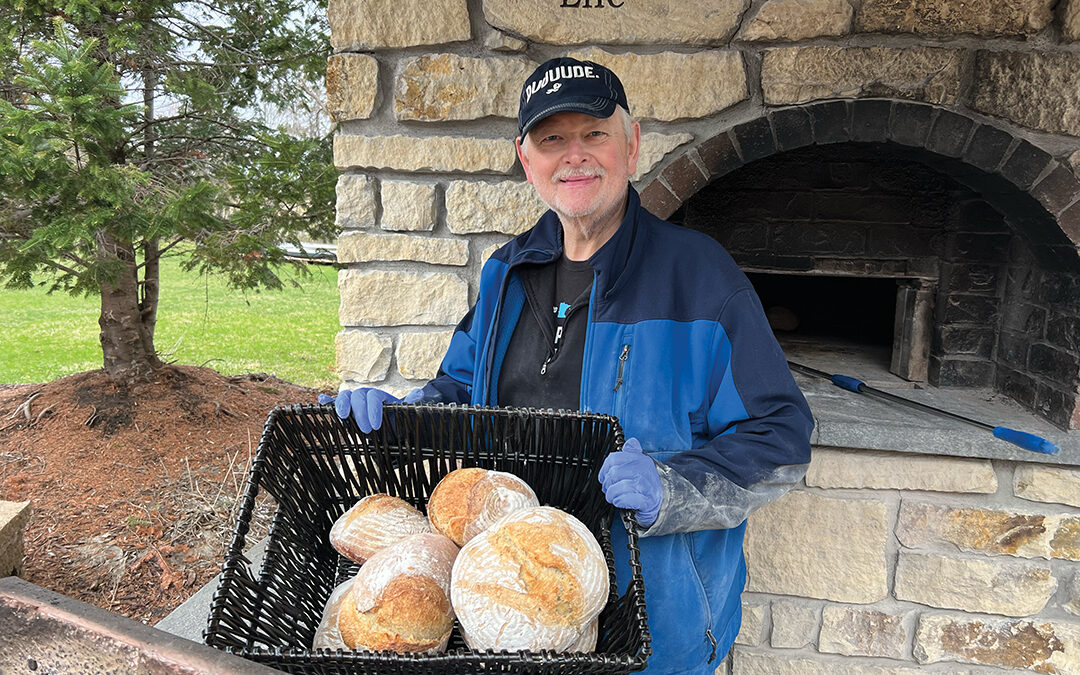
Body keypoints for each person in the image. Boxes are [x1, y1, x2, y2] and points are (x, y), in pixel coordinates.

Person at [319, 57, 814, 674]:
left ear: (630, 146)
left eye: (594, 134)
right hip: (511, 607)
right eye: (553, 139)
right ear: (527, 159)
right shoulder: (508, 271)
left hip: (654, 622)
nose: (574, 155)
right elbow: (461, 387)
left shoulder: (699, 277)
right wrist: (408, 413)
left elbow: (782, 436)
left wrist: (672, 489)